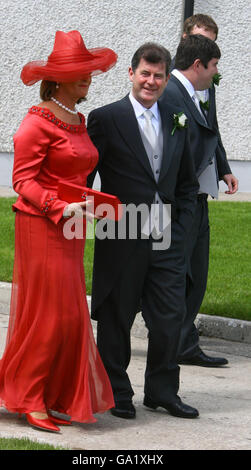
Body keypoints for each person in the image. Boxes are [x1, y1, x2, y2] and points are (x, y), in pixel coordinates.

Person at [0, 30, 117, 433]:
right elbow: (22, 180)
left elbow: (73, 171)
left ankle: (52, 394)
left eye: (89, 72)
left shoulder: (77, 119)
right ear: (57, 78)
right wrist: (60, 206)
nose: (87, 79)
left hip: (72, 225)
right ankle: (29, 396)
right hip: (41, 225)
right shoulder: (36, 120)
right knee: (50, 315)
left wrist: (90, 201)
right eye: (78, 73)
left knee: (71, 315)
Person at [87, 42, 200, 420]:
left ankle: (162, 391)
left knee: (170, 316)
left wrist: (181, 228)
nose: (150, 81)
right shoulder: (106, 118)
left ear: (167, 79)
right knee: (118, 315)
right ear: (131, 73)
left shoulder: (175, 116)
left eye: (158, 76)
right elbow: (85, 178)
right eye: (145, 74)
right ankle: (116, 390)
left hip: (166, 233)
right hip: (121, 231)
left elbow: (186, 180)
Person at [161, 33, 238, 368]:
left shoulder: (200, 92)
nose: (216, 72)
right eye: (214, 65)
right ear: (198, 64)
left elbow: (211, 131)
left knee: (197, 273)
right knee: (175, 275)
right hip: (179, 201)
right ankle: (170, 343)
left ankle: (182, 341)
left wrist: (222, 168)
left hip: (199, 195)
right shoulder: (170, 93)